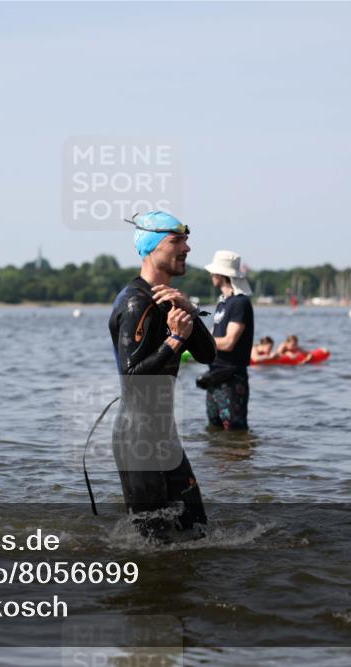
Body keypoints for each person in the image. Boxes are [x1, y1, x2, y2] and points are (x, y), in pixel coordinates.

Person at [108, 211, 216, 539]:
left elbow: (208, 355)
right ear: (153, 247)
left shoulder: (169, 300)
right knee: (153, 539)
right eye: (177, 240)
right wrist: (174, 341)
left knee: (196, 529)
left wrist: (190, 313)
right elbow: (132, 375)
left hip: (164, 435)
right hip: (137, 437)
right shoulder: (135, 303)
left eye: (185, 239)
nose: (187, 248)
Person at [203, 250, 254, 430]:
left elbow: (229, 342)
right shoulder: (223, 303)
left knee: (234, 431)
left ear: (222, 274)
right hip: (214, 376)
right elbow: (214, 335)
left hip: (232, 379)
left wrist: (199, 342)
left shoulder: (240, 303)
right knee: (214, 431)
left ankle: (237, 458)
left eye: (213, 271)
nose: (210, 274)